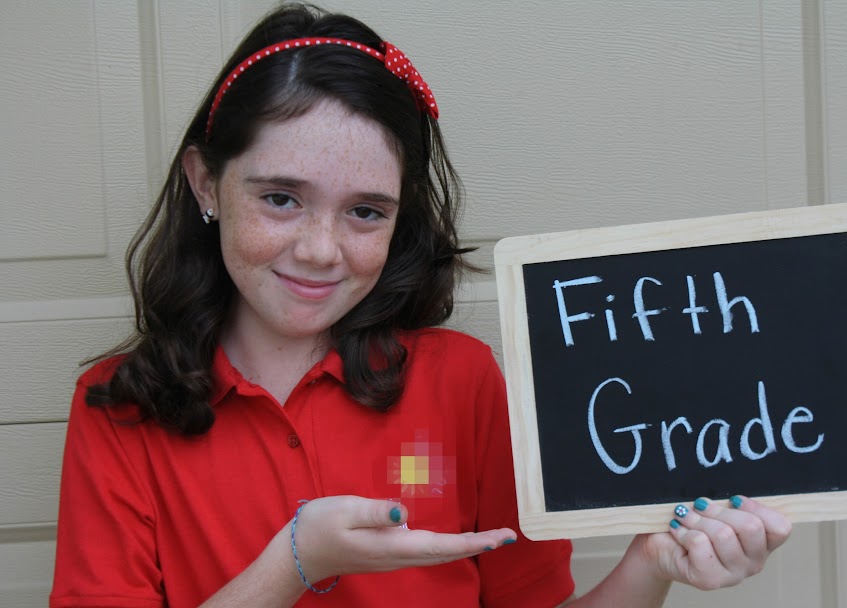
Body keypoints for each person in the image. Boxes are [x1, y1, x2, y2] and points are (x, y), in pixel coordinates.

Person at [50, 4, 792, 607]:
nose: (321, 249)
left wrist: (652, 564)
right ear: (206, 182)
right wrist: (297, 562)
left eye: (365, 212)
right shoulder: (118, 411)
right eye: (280, 198)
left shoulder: (461, 382)